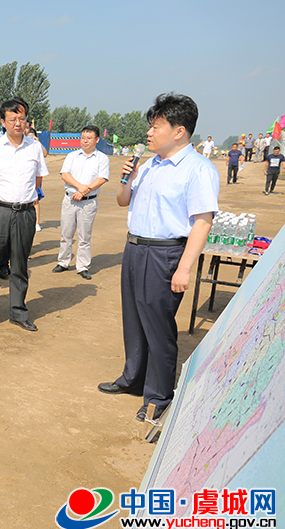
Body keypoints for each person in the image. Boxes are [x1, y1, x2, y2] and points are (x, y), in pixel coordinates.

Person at [98, 93, 218, 423]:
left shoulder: (198, 169)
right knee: (134, 319)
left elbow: (202, 222)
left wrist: (184, 268)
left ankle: (158, 396)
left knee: (158, 326)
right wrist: (126, 178)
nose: (149, 133)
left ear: (179, 131)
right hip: (135, 248)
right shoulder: (150, 164)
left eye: (156, 126)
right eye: (150, 126)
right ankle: (133, 378)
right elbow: (123, 200)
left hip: (165, 253)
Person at [0, 97, 48, 333]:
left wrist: (23, 197)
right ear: (3, 122)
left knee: (20, 264)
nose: (18, 123)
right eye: (13, 119)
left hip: (25, 213)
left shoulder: (34, 148)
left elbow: (38, 179)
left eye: (22, 118)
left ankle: (18, 312)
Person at [52, 125, 109, 280]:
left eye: (89, 138)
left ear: (97, 140)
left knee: (84, 236)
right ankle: (63, 262)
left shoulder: (102, 158)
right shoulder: (72, 156)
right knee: (66, 233)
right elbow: (65, 175)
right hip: (70, 199)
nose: (85, 141)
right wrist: (80, 187)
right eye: (83, 137)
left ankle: (82, 266)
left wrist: (84, 191)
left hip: (88, 202)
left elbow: (102, 179)